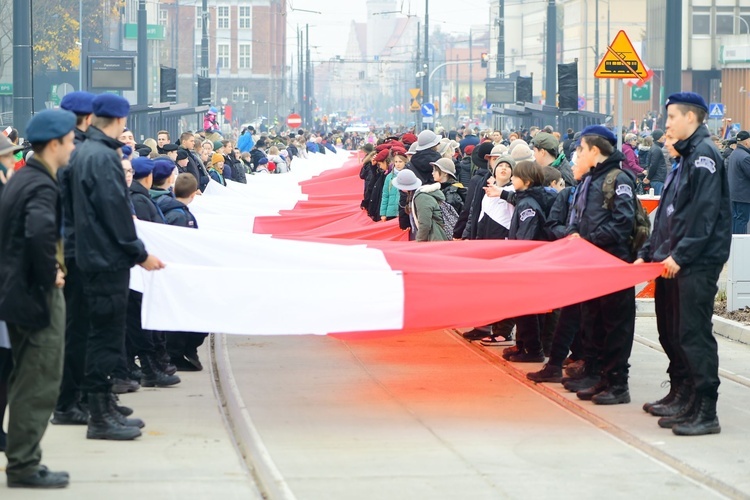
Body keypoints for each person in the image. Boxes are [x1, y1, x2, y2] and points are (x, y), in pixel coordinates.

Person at [67, 94, 165, 441]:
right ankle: (100, 416)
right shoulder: (104, 157)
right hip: (106, 259)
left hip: (90, 256)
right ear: (121, 121)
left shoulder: (82, 152)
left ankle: (102, 407)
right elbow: (116, 212)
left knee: (99, 334)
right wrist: (140, 253)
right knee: (105, 338)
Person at [636, 92, 731, 436]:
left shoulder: (704, 156)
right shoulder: (684, 158)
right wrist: (650, 251)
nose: (668, 124)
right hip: (673, 261)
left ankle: (705, 410)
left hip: (695, 262)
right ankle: (682, 395)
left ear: (692, 118)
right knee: (672, 331)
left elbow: (703, 215)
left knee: (693, 335)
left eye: (673, 117)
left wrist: (682, 254)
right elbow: (668, 217)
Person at [0, 109, 76, 488]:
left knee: (27, 377)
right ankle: (24, 466)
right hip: (36, 294)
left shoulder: (24, 178)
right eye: (69, 139)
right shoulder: (40, 185)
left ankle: (24, 460)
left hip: (19, 293)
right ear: (54, 144)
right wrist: (52, 273)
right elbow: (38, 232)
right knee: (39, 380)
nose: (73, 145)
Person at [566, 125, 637, 405]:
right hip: (590, 263)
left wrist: (588, 240)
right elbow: (578, 214)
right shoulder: (590, 179)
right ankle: (596, 375)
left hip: (612, 263)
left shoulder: (618, 178)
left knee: (615, 326)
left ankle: (617, 383)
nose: (578, 153)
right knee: (592, 321)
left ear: (595, 150)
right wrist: (573, 234)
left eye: (581, 148)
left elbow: (623, 223)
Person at [726, 130, 750, 234]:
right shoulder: (745, 157)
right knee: (742, 221)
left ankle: (735, 244)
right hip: (743, 196)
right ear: (747, 142)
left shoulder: (734, 153)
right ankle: (740, 246)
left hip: (735, 194)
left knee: (736, 220)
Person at [646, 130, 667, 194]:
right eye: (663, 135)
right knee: (658, 200)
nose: (664, 137)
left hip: (657, 178)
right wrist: (648, 178)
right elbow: (653, 165)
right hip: (657, 179)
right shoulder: (656, 149)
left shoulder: (656, 148)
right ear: (659, 137)